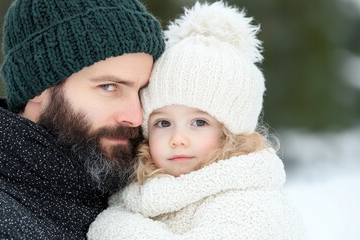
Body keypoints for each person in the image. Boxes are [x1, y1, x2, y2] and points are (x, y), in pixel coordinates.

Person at [0, 0, 165, 239]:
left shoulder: (125, 195)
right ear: (38, 87)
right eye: (109, 87)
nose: (135, 117)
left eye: (141, 91)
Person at [87, 2, 305, 239]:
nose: (178, 139)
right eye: (163, 123)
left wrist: (115, 227)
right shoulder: (141, 192)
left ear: (230, 133)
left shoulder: (247, 201)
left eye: (199, 123)